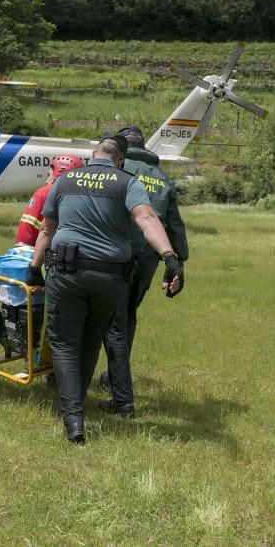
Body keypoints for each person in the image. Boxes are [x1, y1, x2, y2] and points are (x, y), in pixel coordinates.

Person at [26, 133, 184, 443]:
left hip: (67, 274)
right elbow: (147, 217)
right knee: (91, 340)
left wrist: (34, 268)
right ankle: (76, 406)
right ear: (121, 160)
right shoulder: (127, 182)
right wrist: (170, 257)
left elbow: (46, 230)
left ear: (93, 153)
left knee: (64, 343)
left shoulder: (65, 181)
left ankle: (72, 419)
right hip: (111, 279)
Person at [99, 125, 189, 418]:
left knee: (113, 322)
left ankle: (119, 393)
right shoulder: (163, 179)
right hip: (149, 260)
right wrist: (178, 262)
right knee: (127, 319)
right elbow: (174, 225)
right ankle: (114, 378)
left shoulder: (117, 168)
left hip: (118, 256)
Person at [15, 154, 86, 246]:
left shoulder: (44, 192)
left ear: (60, 171)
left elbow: (26, 232)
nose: (47, 178)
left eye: (50, 174)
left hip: (41, 253)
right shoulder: (83, 196)